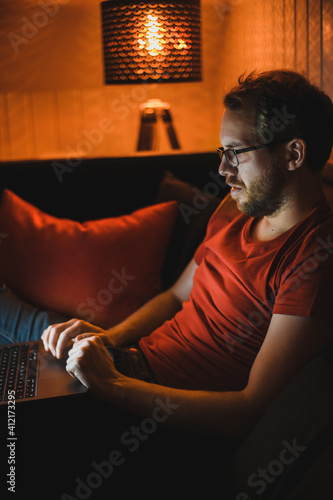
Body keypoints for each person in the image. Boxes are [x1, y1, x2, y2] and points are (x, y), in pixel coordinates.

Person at [2, 69, 333, 444]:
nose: (223, 170)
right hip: (128, 365)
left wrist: (112, 384)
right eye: (222, 153)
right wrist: (108, 340)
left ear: (293, 154)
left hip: (150, 410)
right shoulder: (236, 207)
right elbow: (177, 295)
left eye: (236, 153)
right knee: (21, 354)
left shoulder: (314, 261)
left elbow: (248, 410)